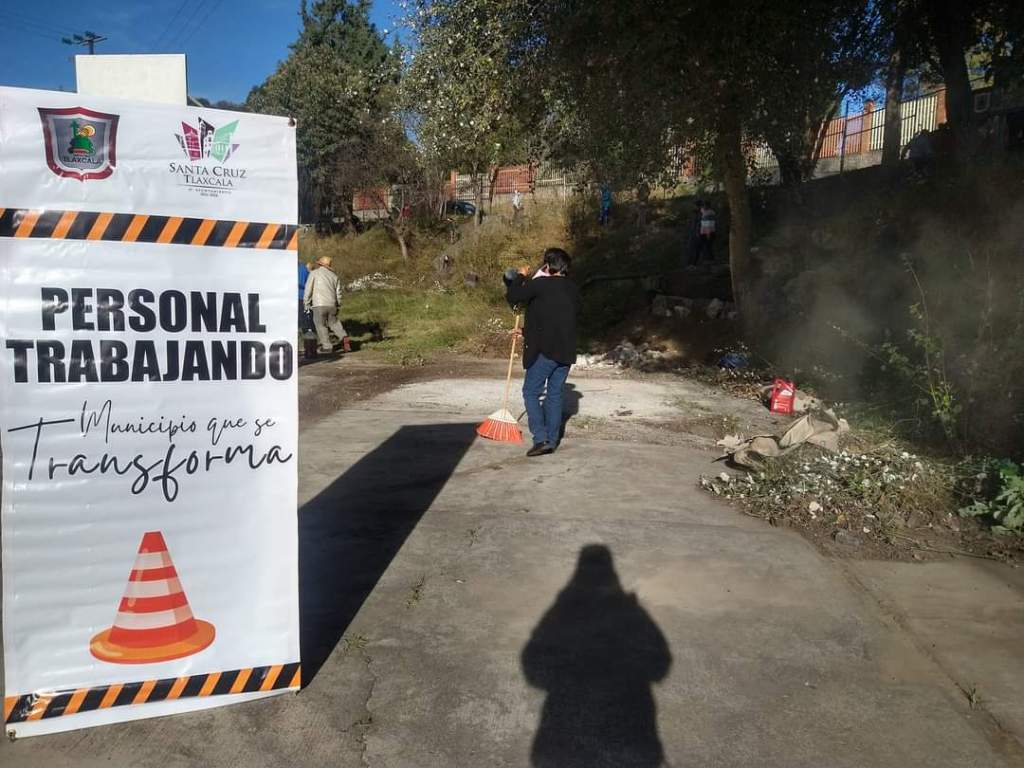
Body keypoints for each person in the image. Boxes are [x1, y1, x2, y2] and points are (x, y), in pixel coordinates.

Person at [504, 248, 581, 457]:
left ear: (547, 265)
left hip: (545, 352)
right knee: (554, 395)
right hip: (566, 352)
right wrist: (525, 331)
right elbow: (554, 318)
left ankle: (541, 439)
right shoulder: (573, 289)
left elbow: (513, 296)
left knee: (530, 392)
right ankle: (552, 441)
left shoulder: (540, 284)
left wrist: (521, 276)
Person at [304, 255, 351, 353]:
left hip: (319, 304)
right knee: (334, 323)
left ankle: (327, 346)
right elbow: (338, 293)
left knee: (320, 325)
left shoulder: (314, 273)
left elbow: (308, 289)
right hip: (332, 304)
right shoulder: (334, 276)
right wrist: (338, 304)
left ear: (320, 264)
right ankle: (344, 337)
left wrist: (306, 303)